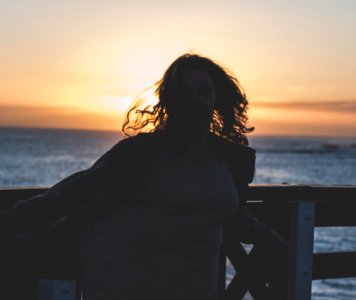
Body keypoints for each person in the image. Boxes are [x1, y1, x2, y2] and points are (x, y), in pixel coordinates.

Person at [0, 53, 287, 299]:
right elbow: (66, 197)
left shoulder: (232, 159)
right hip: (127, 286)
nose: (195, 100)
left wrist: (274, 239)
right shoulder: (140, 152)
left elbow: (231, 213)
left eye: (203, 91)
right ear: (170, 102)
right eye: (185, 93)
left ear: (216, 98)